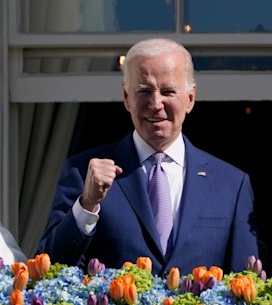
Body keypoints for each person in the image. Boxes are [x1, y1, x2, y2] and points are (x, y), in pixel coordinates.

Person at [35, 38, 260, 277]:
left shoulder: (231, 185)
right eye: (144, 91)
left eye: (168, 91)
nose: (155, 104)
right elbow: (48, 272)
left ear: (190, 99)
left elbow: (245, 287)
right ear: (126, 97)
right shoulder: (82, 173)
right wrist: (87, 205)